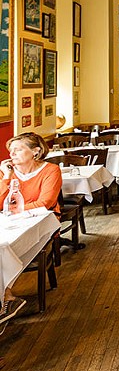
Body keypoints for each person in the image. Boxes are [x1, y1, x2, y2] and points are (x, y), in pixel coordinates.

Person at [0, 132, 62, 323]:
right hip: (11, 221)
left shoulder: (51, 170)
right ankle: (7, 298)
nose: (13, 154)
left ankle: (6, 298)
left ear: (35, 151)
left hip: (44, 222)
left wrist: (14, 208)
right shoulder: (6, 172)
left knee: (6, 247)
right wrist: (7, 177)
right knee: (3, 246)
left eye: (18, 149)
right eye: (11, 150)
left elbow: (47, 202)